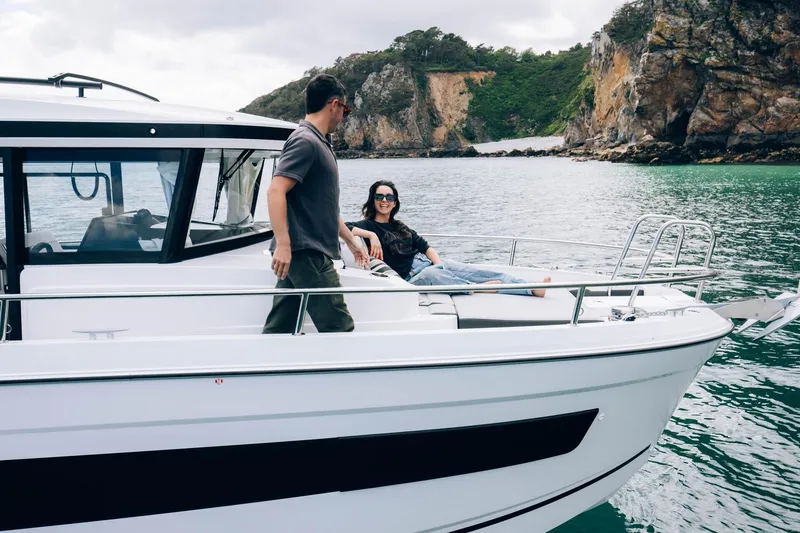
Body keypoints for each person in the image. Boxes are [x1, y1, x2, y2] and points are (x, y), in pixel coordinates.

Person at [263, 74, 368, 334]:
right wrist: (284, 244)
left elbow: (324, 208)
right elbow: (276, 190)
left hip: (303, 252)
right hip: (306, 253)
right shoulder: (305, 141)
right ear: (334, 105)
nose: (344, 117)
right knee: (339, 327)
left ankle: (264, 359)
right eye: (345, 110)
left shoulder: (319, 142)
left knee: (282, 325)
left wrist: (351, 241)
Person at [346, 180, 550, 296]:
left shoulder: (400, 226)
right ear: (373, 200)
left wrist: (440, 265)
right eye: (379, 196)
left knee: (476, 271)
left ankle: (530, 288)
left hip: (428, 264)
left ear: (395, 202)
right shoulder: (367, 225)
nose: (384, 200)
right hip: (412, 278)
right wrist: (371, 235)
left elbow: (426, 247)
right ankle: (475, 289)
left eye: (389, 197)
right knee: (433, 275)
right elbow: (343, 228)